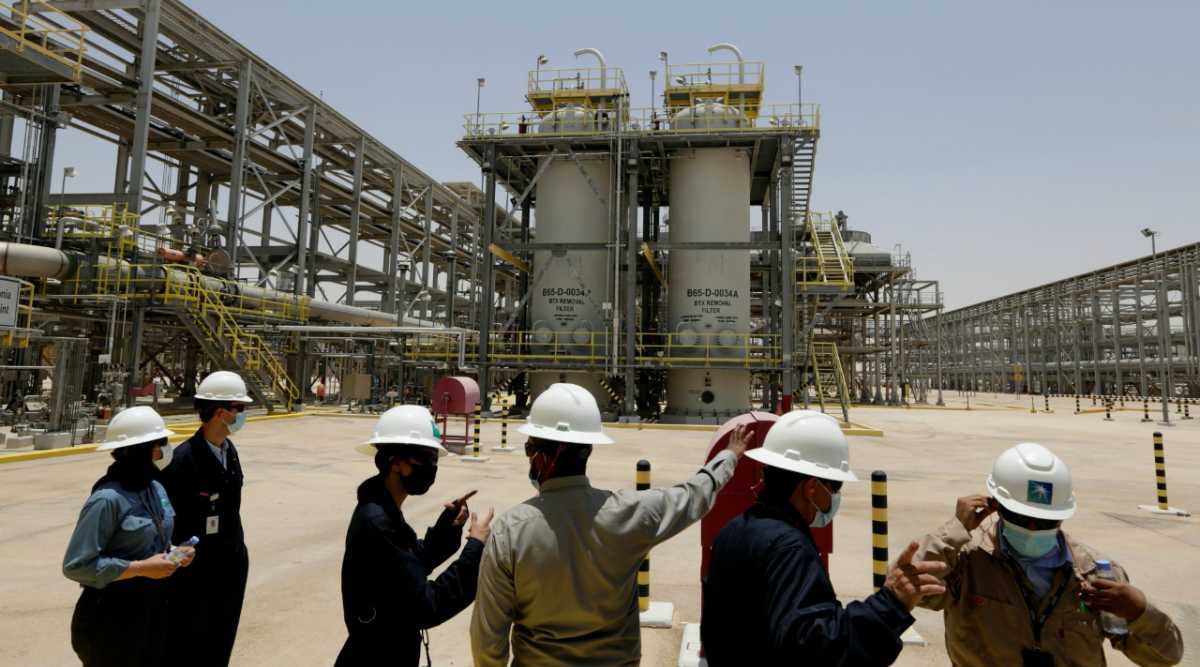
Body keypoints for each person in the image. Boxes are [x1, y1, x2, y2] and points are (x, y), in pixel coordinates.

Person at [470, 382, 749, 666]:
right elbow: (691, 497)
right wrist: (728, 457)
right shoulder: (630, 512)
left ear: (540, 458)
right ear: (589, 450)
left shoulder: (510, 531)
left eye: (529, 449)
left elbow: (488, 640)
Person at [702, 410, 947, 666]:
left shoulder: (732, 530)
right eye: (835, 487)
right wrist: (891, 603)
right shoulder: (790, 549)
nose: (836, 496)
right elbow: (817, 650)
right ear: (811, 488)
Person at [916, 442, 1184, 667]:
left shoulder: (1095, 574)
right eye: (1023, 517)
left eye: (1044, 520)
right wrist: (954, 531)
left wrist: (1140, 611)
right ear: (996, 506)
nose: (1032, 528)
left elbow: (1165, 657)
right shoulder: (966, 563)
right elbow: (907, 589)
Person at [336, 405, 492, 666]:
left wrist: (447, 528)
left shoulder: (383, 511)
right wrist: (475, 548)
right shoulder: (377, 524)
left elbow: (408, 566)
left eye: (435, 458)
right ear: (395, 462)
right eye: (426, 458)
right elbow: (425, 605)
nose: (432, 466)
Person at [63, 406, 196, 666]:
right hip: (111, 619)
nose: (166, 450)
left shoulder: (155, 487)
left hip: (152, 612)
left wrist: (175, 553)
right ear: (142, 450)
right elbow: (76, 566)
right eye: (161, 444)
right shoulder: (107, 499)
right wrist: (139, 568)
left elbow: (155, 541)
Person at [159, 370, 254, 667]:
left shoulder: (230, 451)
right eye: (240, 410)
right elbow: (169, 522)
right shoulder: (183, 460)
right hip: (197, 571)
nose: (243, 416)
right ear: (222, 413)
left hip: (231, 562)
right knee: (193, 644)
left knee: (221, 640)